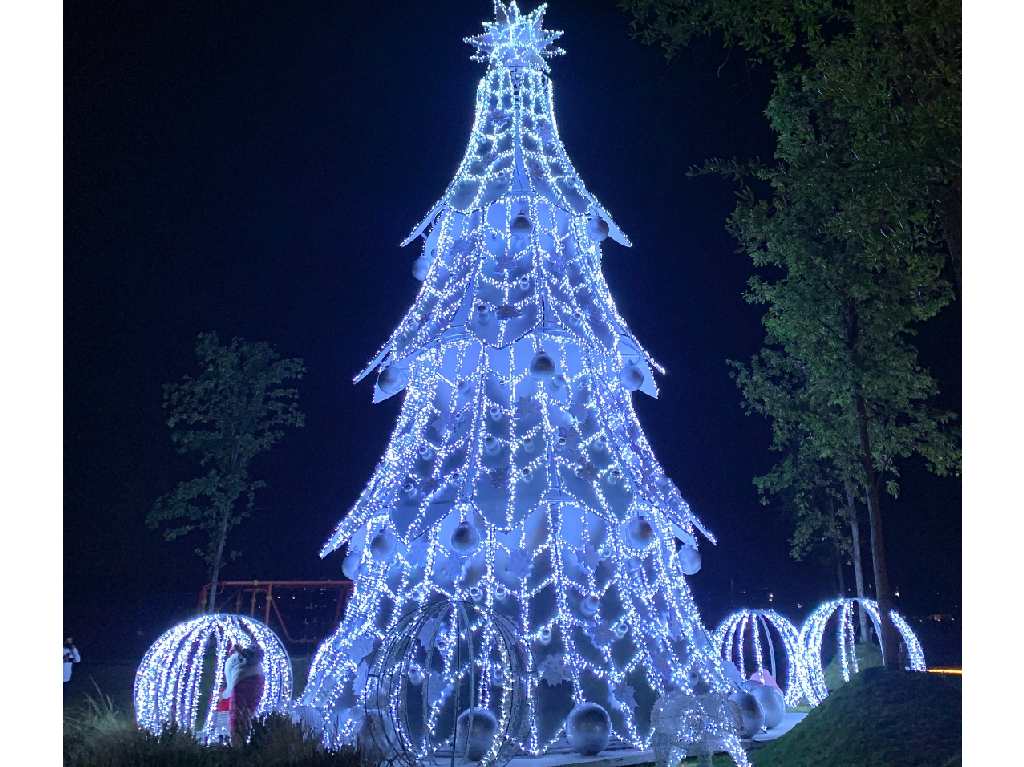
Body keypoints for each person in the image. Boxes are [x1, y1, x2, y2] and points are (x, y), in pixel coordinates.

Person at [226, 646, 265, 745]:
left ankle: (238, 744)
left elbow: (230, 683)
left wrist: (224, 695)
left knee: (237, 715)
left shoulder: (233, 661)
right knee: (249, 713)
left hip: (241, 682)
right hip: (258, 681)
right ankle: (248, 739)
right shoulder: (251, 656)